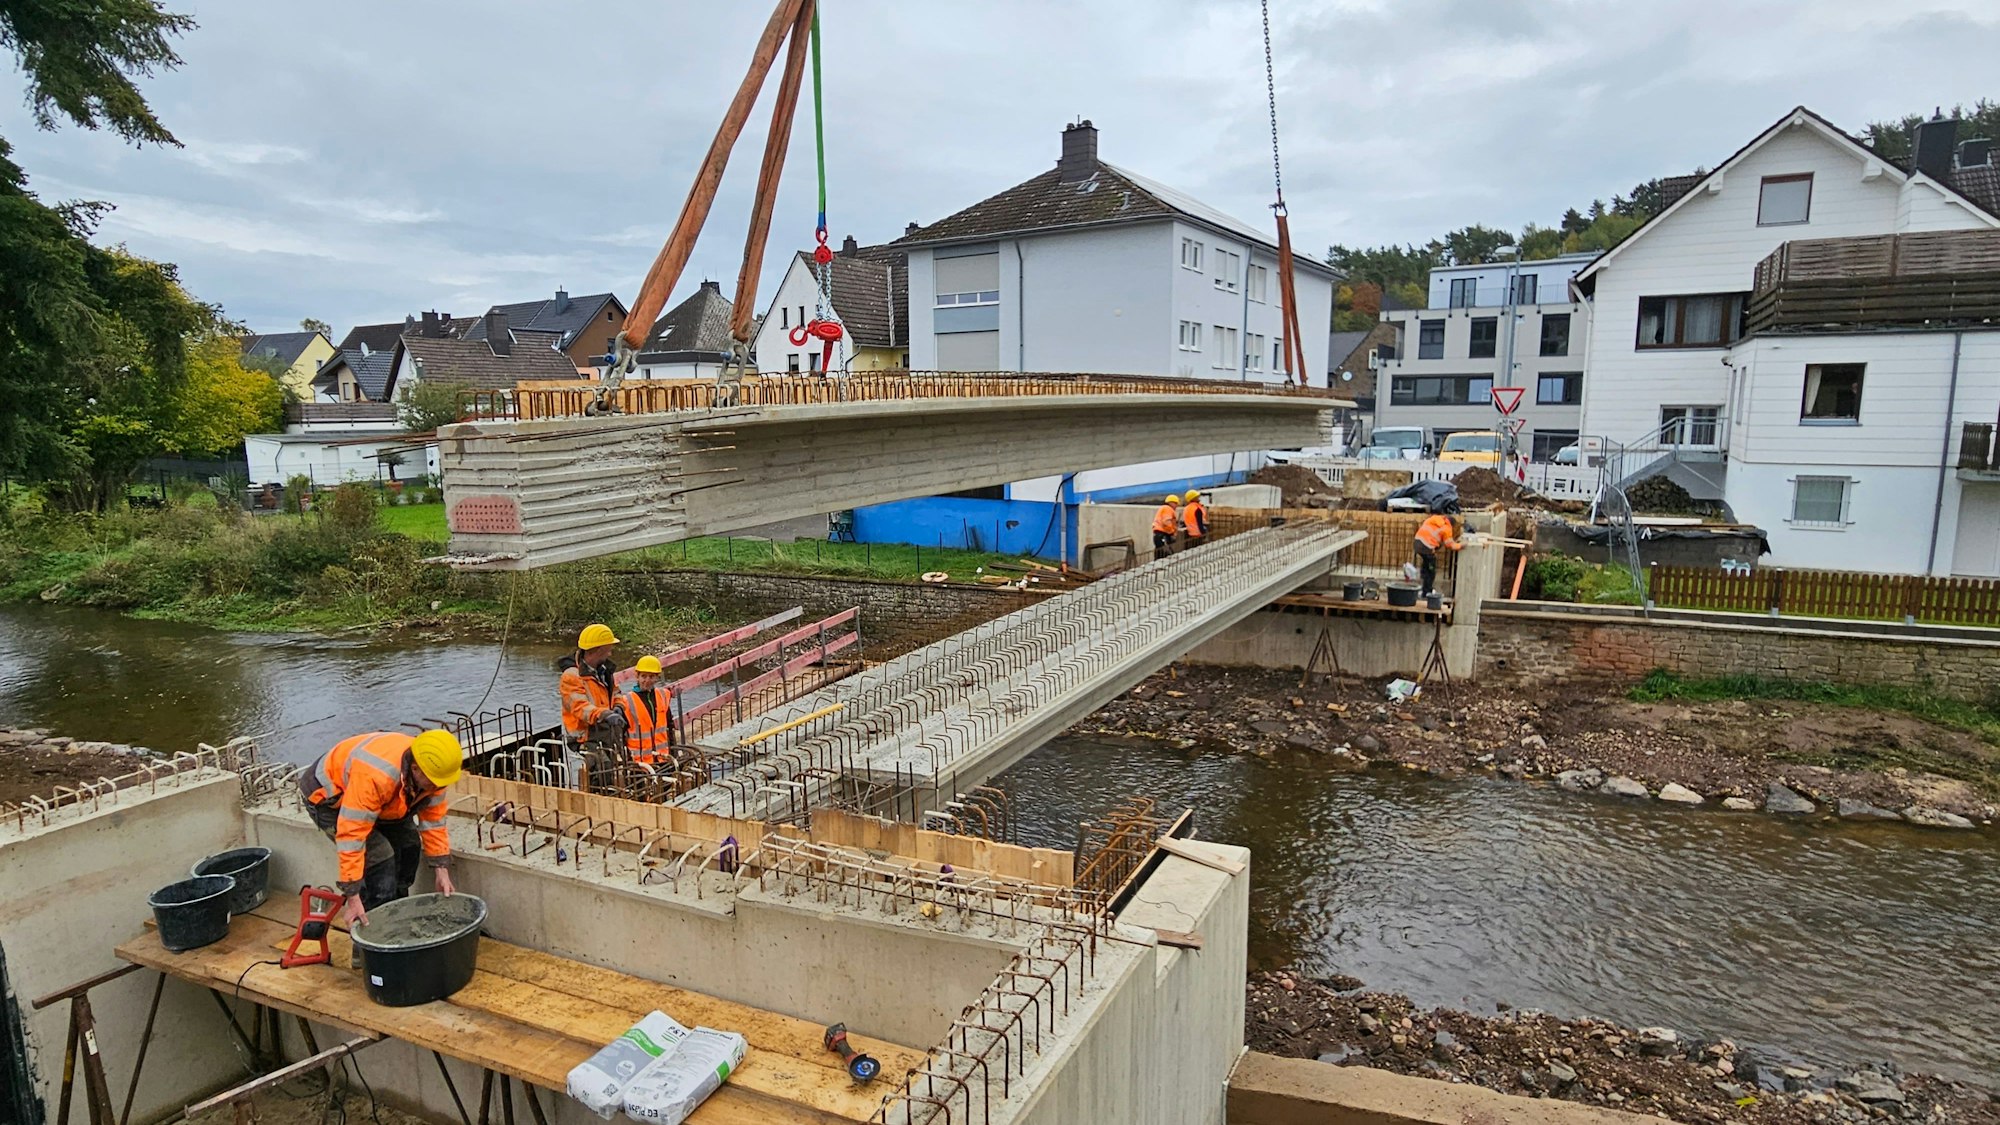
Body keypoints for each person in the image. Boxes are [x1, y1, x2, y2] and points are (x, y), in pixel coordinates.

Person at [301, 729, 463, 929]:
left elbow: (434, 822)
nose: (436, 788)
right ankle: (371, 934)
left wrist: (441, 870)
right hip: (328, 799)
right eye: (432, 783)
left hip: (383, 799)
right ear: (415, 769)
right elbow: (352, 835)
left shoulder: (435, 775)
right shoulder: (376, 776)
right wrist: (352, 894)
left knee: (409, 846)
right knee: (380, 858)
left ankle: (398, 913)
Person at [619, 655, 675, 768]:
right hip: (639, 762)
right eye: (643, 676)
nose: (647, 680)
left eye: (651, 676)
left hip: (662, 758)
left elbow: (669, 726)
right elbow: (621, 733)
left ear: (657, 678)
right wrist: (626, 759)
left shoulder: (662, 696)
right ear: (637, 676)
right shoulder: (627, 701)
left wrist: (673, 752)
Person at [1413, 513, 1464, 597]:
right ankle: (1427, 592)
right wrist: (1461, 545)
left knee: (1426, 565)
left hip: (1417, 543)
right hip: (1426, 548)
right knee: (1431, 571)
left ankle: (1424, 584)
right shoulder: (1446, 528)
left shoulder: (1433, 519)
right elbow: (1450, 545)